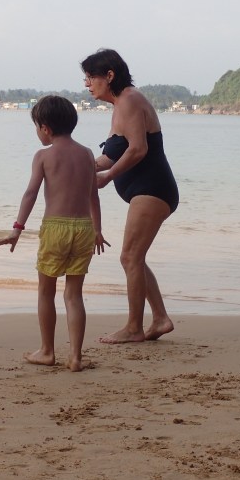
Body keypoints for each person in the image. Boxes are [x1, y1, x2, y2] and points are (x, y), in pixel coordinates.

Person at [0, 95, 108, 371]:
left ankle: (47, 351)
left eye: (36, 127)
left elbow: (31, 193)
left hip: (55, 228)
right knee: (74, 295)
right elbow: (93, 196)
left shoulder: (43, 156)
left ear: (45, 128)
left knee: (46, 291)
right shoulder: (87, 154)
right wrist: (98, 230)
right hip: (84, 228)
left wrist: (17, 229)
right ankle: (75, 357)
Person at [81, 48, 179, 344]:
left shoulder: (130, 100)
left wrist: (109, 176)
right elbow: (111, 156)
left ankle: (134, 327)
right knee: (135, 258)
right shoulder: (121, 105)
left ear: (109, 75)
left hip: (153, 188)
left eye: (91, 77)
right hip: (145, 190)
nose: (87, 84)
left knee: (130, 257)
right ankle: (160, 319)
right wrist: (77, 165)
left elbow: (138, 148)